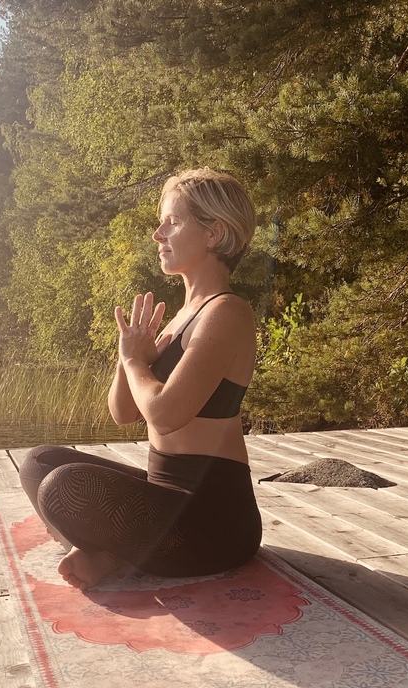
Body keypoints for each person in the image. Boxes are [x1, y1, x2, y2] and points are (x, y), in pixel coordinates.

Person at [19, 167, 262, 589]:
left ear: (213, 232)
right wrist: (129, 356)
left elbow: (165, 414)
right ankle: (107, 551)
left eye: (173, 220)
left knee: (63, 489)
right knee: (40, 462)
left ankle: (108, 552)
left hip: (214, 522)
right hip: (163, 494)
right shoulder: (183, 316)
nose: (158, 233)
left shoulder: (227, 313)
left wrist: (135, 362)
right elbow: (125, 413)